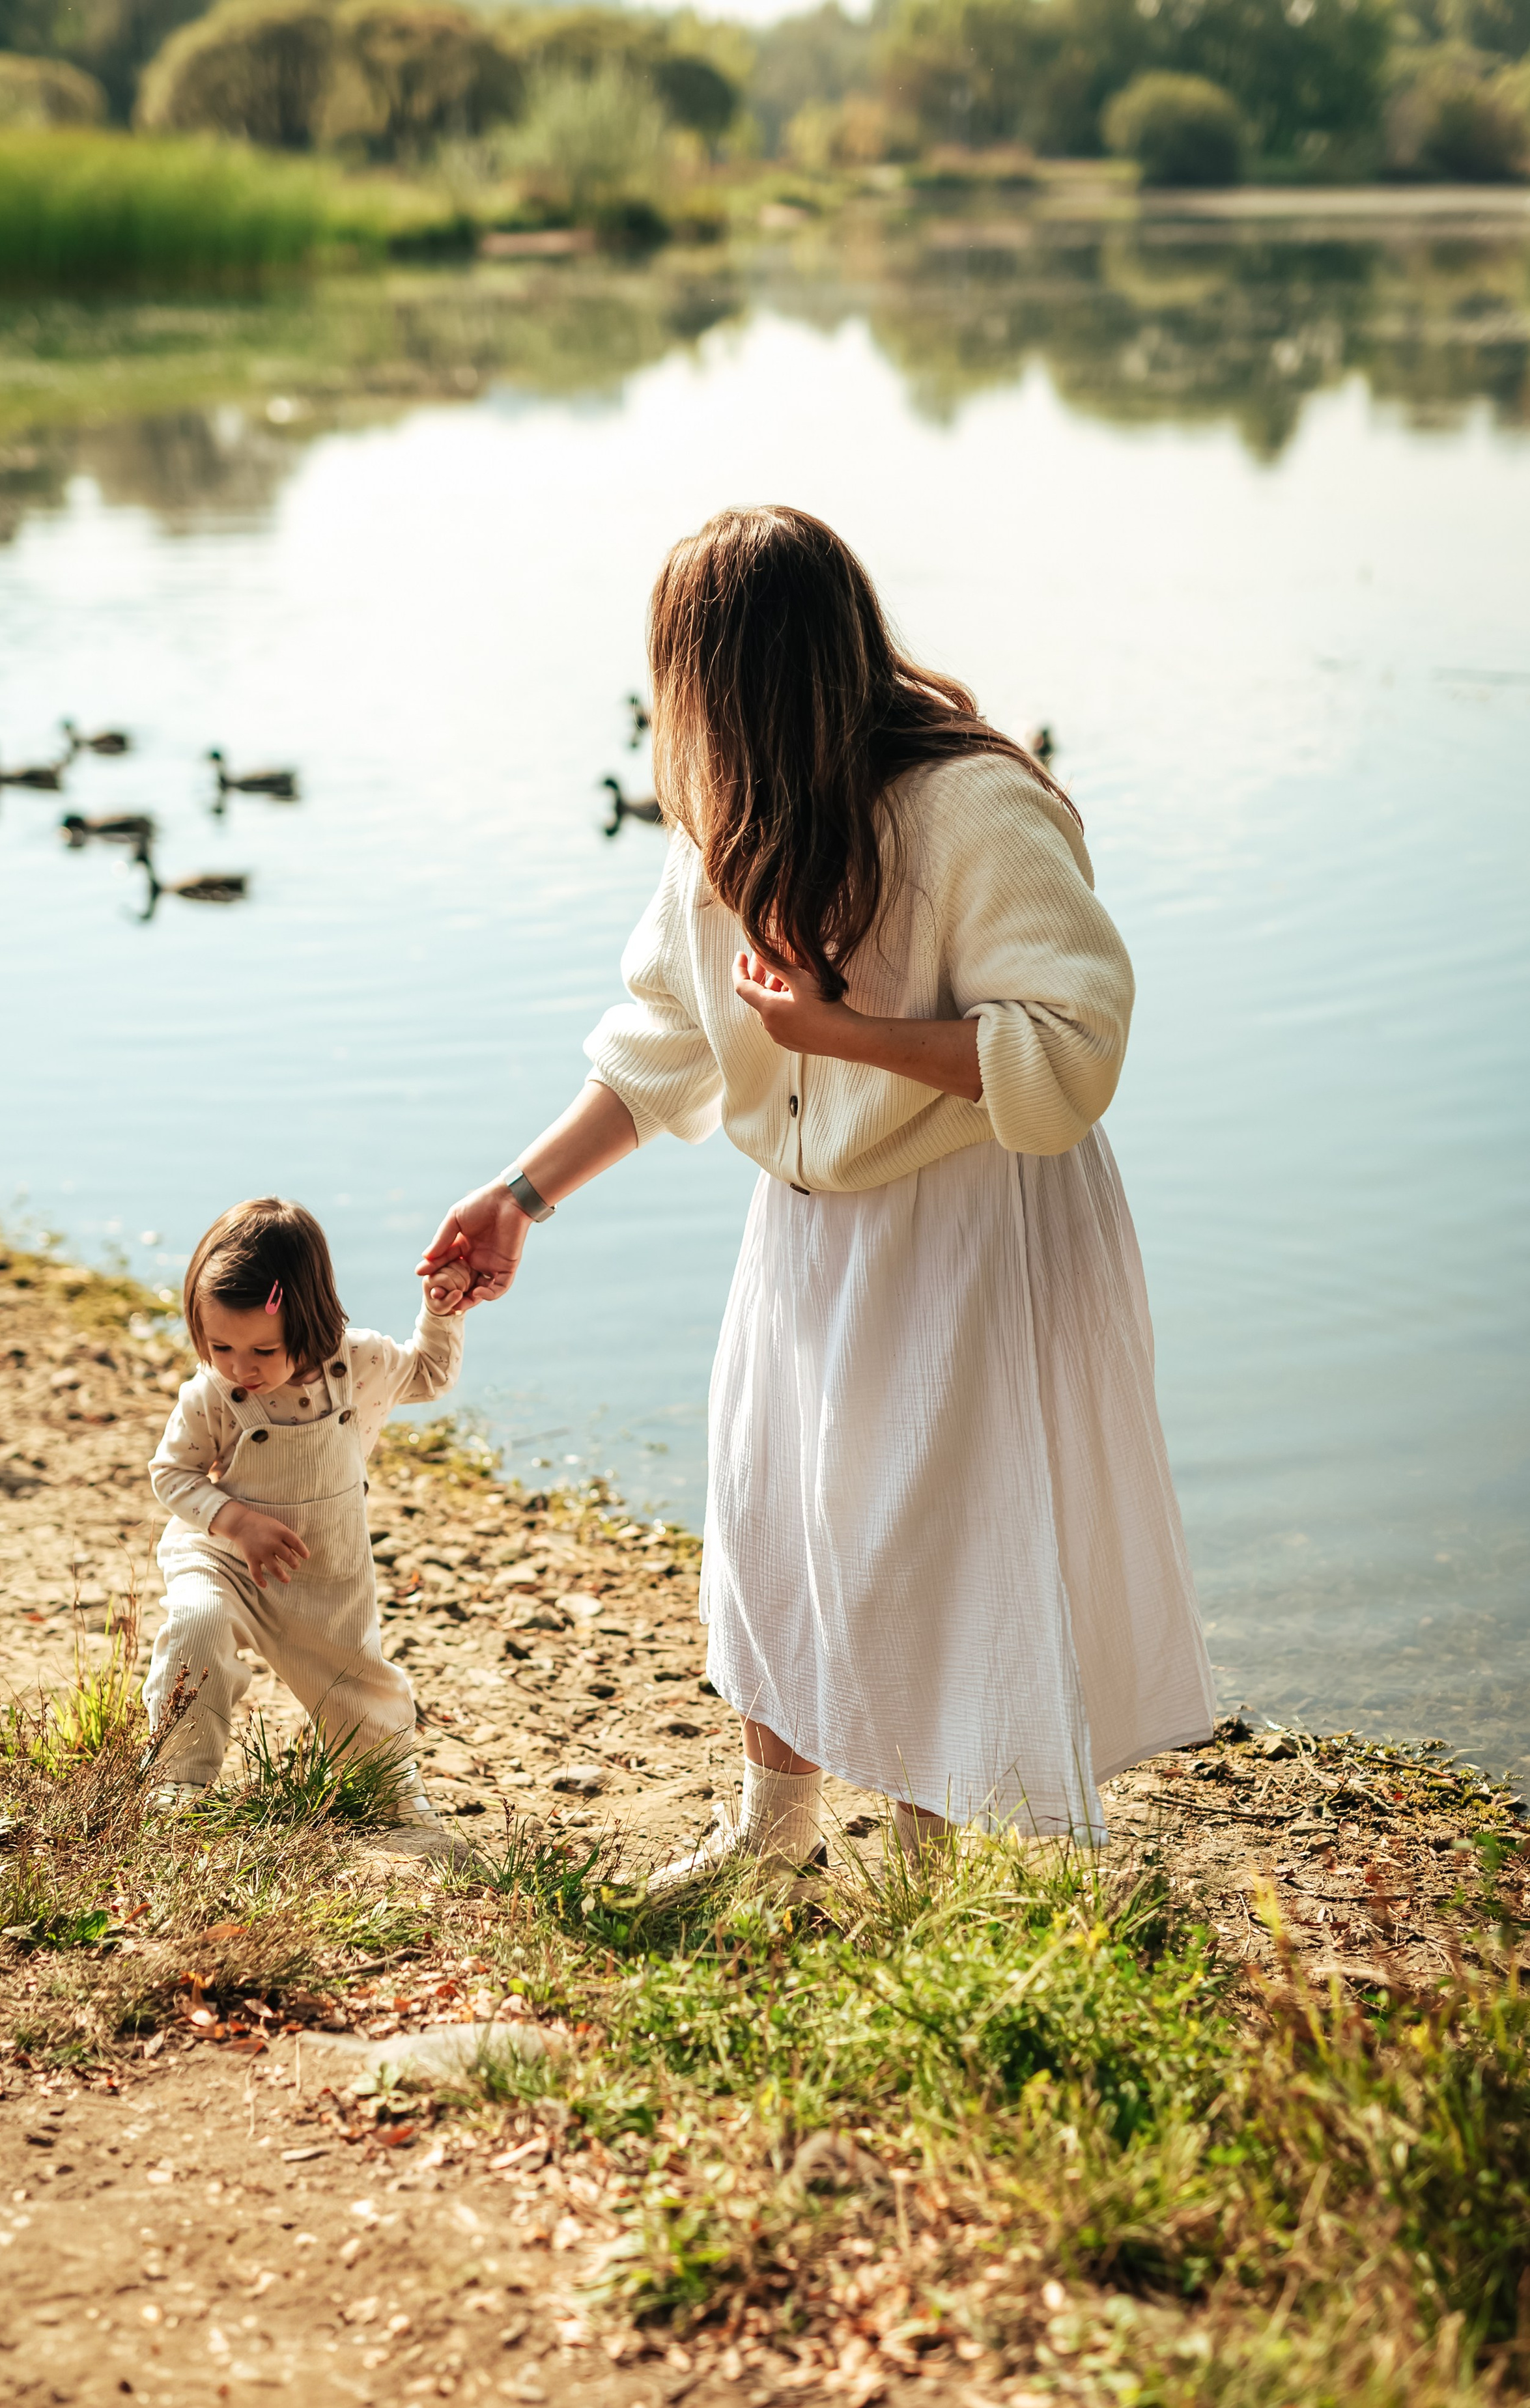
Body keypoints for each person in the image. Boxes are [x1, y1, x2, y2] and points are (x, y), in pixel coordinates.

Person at [421, 506, 1215, 1892]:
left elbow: (1071, 1052)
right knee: (768, 1512)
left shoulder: (974, 807)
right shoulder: (724, 821)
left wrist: (846, 1036)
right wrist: (518, 1194)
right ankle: (770, 1832)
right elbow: (667, 1041)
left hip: (971, 1215)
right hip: (803, 1226)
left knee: (933, 1534)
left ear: (732, 673)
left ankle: (933, 1872)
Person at [145, 1196, 474, 1862]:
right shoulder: (213, 1393)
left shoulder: (360, 1365)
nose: (240, 1367)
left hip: (323, 1569)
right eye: (220, 1346)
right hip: (224, 1557)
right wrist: (236, 1521)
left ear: (311, 1318)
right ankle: (177, 1781)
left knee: (359, 1692)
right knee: (197, 1626)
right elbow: (172, 1474)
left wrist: (441, 1311)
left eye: (262, 1349)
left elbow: (431, 1373)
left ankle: (393, 1800)